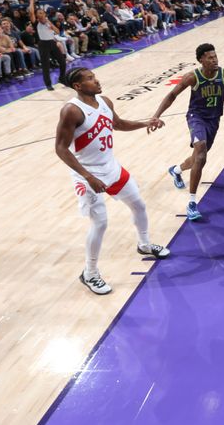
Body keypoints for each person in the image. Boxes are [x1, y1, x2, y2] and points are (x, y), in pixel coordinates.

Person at [54, 67, 169, 295]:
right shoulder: (72, 111)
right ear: (78, 86)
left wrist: (145, 123)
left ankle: (144, 244)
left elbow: (118, 124)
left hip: (111, 168)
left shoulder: (104, 100)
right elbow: (60, 148)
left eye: (94, 76)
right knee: (100, 223)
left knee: (138, 204)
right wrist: (88, 176)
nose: (96, 81)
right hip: (87, 174)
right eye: (89, 79)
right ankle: (90, 273)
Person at [150, 43, 224, 220]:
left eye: (215, 56)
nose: (215, 60)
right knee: (201, 151)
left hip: (214, 120)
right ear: (201, 60)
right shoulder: (192, 77)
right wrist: (156, 115)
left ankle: (177, 170)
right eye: (210, 57)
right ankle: (192, 203)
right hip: (196, 118)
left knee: (197, 157)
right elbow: (172, 95)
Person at [29, 0, 68, 90]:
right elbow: (31, 13)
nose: (40, 14)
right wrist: (31, 0)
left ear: (45, 14)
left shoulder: (48, 22)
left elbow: (58, 32)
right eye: (38, 13)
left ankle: (62, 78)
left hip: (52, 42)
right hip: (43, 44)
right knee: (46, 65)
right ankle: (48, 84)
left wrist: (52, 27)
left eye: (41, 13)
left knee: (62, 62)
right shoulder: (36, 23)